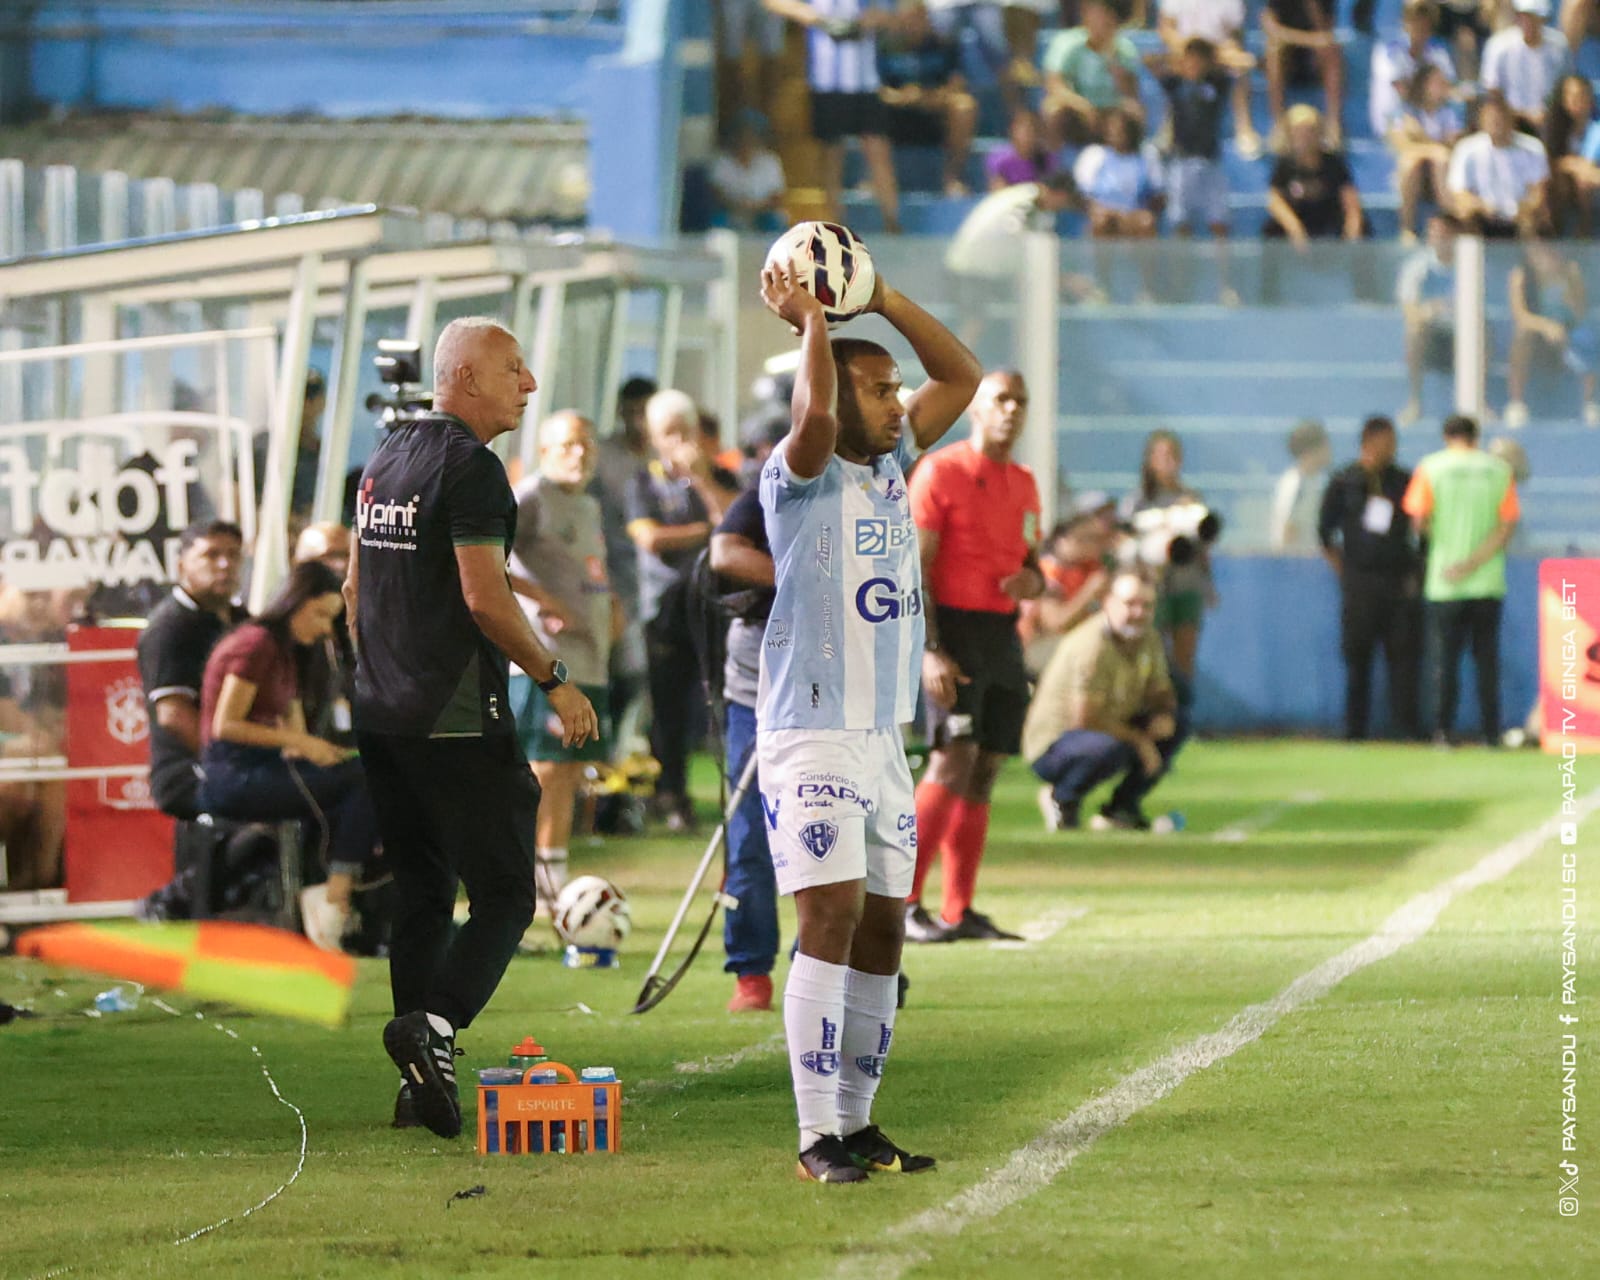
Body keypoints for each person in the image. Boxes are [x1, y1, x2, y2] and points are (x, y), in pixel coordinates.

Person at [755, 251, 981, 1181]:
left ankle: (857, 1121)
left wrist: (880, 300)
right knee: (833, 914)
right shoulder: (798, 475)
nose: (899, 405)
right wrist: (814, 321)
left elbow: (961, 374)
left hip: (884, 736)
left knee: (887, 926)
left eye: (895, 390)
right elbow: (812, 415)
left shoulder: (896, 465)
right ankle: (815, 1136)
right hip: (810, 732)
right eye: (881, 391)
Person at [345, 316, 599, 1140]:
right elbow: (486, 598)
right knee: (504, 894)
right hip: (455, 715)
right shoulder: (473, 468)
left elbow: (354, 593)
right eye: (514, 369)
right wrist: (555, 680)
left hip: (382, 716)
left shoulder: (386, 458)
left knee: (422, 894)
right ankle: (440, 1028)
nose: (527, 385)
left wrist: (381, 678)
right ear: (463, 377)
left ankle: (420, 1087)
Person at [904, 369, 1040, 945]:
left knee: (985, 765)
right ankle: (905, 903)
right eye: (1000, 399)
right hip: (951, 630)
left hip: (1000, 633)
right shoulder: (940, 471)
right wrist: (930, 649)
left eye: (1020, 401)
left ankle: (960, 909)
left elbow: (1032, 557)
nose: (1011, 410)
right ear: (976, 409)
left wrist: (1032, 581)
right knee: (950, 759)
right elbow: (915, 567)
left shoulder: (1025, 483)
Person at [196, 560, 374, 946]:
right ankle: (334, 897)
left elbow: (293, 731)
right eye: (321, 615)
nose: (326, 628)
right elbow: (225, 725)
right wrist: (306, 745)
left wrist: (319, 750)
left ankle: (333, 893)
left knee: (367, 772)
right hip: (232, 774)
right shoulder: (255, 644)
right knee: (365, 784)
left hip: (263, 767)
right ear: (297, 602)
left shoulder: (285, 651)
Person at [507, 410, 618, 910]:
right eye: (569, 444)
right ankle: (529, 884)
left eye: (586, 443)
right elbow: (488, 561)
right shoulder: (530, 497)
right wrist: (544, 602)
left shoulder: (588, 505)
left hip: (588, 655)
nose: (580, 453)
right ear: (545, 451)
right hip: (544, 661)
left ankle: (554, 875)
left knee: (571, 769)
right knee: (544, 770)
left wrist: (609, 606)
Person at [626, 389, 740, 830]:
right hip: (665, 611)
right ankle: (671, 796)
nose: (677, 442)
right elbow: (651, 538)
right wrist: (707, 531)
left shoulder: (722, 478)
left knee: (723, 702)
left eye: (683, 431)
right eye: (667, 433)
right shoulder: (644, 481)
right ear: (653, 437)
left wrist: (705, 483)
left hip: (717, 604)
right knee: (669, 710)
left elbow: (738, 523)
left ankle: (735, 793)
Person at [1024, 570, 1186, 831]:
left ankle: (1121, 809)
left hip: (1107, 727)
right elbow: (1085, 719)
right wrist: (1140, 740)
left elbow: (1160, 690)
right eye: (1130, 603)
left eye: (1147, 605)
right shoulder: (1092, 645)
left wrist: (1163, 714)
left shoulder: (1148, 639)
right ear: (1108, 602)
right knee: (1110, 747)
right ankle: (1062, 798)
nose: (1139, 612)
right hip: (1055, 744)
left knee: (1177, 725)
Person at [1401, 414, 1520, 747]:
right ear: (1475, 437)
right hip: (1487, 580)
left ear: (1446, 436)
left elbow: (1418, 519)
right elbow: (1506, 526)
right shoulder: (1499, 470)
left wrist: (1444, 548)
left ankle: (1443, 732)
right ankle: (1490, 733)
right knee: (1486, 661)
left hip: (1445, 580)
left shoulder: (1431, 468)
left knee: (1444, 662)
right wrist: (1475, 561)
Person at [709, 487, 781, 1013]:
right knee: (749, 834)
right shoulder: (769, 482)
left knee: (836, 838)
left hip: (839, 697)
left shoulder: (870, 487)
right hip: (755, 692)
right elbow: (724, 552)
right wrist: (799, 577)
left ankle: (825, 964)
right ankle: (751, 971)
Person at [1317, 416, 1421, 741]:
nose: (1390, 449)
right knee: (1357, 659)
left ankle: (1404, 728)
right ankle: (1355, 730)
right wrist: (1345, 572)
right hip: (1359, 584)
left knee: (1402, 660)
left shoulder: (1404, 481)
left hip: (1396, 582)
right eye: (1384, 442)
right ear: (1368, 443)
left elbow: (1419, 530)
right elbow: (1324, 533)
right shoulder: (1344, 481)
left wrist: (1415, 574)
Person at [137, 520, 247, 822]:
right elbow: (174, 715)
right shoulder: (170, 626)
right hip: (188, 772)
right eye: (211, 555)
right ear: (182, 564)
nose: (225, 564)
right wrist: (229, 764)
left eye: (233, 555)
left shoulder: (242, 619)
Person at [763, 0, 904, 231]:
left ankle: (891, 220)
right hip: (826, 81)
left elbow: (897, 15)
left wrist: (873, 19)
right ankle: (836, 224)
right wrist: (814, 18)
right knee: (831, 154)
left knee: (878, 149)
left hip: (865, 82)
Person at [1120, 429, 1214, 708]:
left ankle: (1181, 713)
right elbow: (1126, 543)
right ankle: (1153, 712)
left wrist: (1209, 585)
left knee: (1185, 655)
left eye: (1173, 455)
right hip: (1153, 587)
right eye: (1161, 456)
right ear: (1150, 461)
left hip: (1187, 584)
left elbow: (1202, 547)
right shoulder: (1138, 501)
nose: (1168, 462)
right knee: (1154, 653)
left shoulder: (1191, 498)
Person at [1154, 36, 1239, 304]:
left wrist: (1216, 59)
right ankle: (1181, 285)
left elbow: (1243, 65)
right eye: (1190, 59)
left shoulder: (1218, 84)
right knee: (1181, 224)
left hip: (1210, 161)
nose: (1194, 65)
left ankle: (1225, 285)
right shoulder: (1176, 85)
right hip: (1182, 161)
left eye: (1200, 59)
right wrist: (1178, 62)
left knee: (1219, 224)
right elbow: (1148, 62)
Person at [877, 3, 978, 197]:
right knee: (871, 110)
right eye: (907, 19)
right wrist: (900, 97)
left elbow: (957, 85)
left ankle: (952, 176)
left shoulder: (944, 45)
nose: (912, 24)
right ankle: (875, 178)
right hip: (896, 113)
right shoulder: (885, 46)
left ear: (926, 19)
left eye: (917, 18)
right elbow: (875, 89)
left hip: (934, 113)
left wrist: (926, 97)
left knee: (965, 106)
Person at [1505, 237, 1600, 427]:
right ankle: (1517, 403)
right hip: (1537, 332)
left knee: (1589, 337)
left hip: (1568, 329)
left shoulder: (1570, 273)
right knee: (1521, 336)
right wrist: (1546, 326)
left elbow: (1580, 312)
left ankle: (1589, 403)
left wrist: (1568, 292)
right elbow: (1520, 315)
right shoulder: (1521, 276)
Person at [1157, 0, 1261, 157]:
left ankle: (1244, 126)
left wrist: (1210, 51)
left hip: (1217, 54)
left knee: (1241, 64)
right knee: (1172, 64)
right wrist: (1188, 48)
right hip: (1184, 53)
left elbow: (1234, 37)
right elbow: (1166, 30)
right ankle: (1169, 127)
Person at [1445, 90, 1551, 237]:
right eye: (1491, 118)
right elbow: (1459, 193)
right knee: (1465, 214)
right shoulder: (1466, 149)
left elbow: (1538, 193)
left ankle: (1533, 258)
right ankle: (1471, 260)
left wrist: (1523, 209)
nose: (1496, 122)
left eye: (1501, 118)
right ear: (1481, 121)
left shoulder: (1533, 148)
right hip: (1482, 215)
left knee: (1534, 219)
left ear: (1511, 120)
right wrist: (1482, 206)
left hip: (1520, 215)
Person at [1041, 0, 1143, 147]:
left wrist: (1115, 65)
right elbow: (1054, 85)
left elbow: (1131, 95)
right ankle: (1054, 162)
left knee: (1134, 112)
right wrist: (1083, 106)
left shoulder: (1124, 49)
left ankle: (1126, 160)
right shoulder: (1067, 43)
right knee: (1053, 109)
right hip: (1077, 111)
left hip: (1111, 111)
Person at [1389, 63, 1466, 241]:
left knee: (1441, 160)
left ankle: (1450, 219)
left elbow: (1453, 144)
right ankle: (1407, 227)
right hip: (1413, 171)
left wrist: (1421, 140)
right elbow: (1401, 143)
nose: (1443, 87)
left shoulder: (1453, 111)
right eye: (1437, 83)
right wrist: (1434, 146)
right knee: (1411, 162)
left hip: (1442, 169)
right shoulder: (1404, 110)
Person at [1397, 213, 1460, 427]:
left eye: (1443, 233)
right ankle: (1414, 401)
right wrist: (1429, 311)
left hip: (1461, 332)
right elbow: (1410, 310)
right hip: (1431, 333)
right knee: (1413, 331)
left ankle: (1481, 401)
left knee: (1482, 331)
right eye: (1433, 233)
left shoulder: (1469, 264)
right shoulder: (1417, 266)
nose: (1438, 238)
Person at [1262, 0, 1345, 148]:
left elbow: (1325, 32)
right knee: (1273, 51)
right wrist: (1308, 40)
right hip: (1290, 53)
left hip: (1313, 56)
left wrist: (1313, 6)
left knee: (1332, 52)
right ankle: (1279, 124)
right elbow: (1271, 28)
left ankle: (1333, 123)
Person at [1371, 0, 1457, 142]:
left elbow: (1448, 90)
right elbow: (1403, 91)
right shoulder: (1388, 51)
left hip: (1430, 122)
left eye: (1425, 22)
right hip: (1395, 123)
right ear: (1405, 22)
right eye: (1415, 21)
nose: (1420, 27)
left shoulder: (1439, 53)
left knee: (1453, 127)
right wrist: (1430, 92)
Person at [1482, 0, 1572, 133]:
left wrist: (1548, 113)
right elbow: (1492, 91)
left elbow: (1565, 85)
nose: (1528, 22)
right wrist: (1522, 115)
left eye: (1534, 17)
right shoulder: (1498, 45)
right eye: (1523, 16)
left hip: (1550, 121)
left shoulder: (1559, 45)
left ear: (1543, 19)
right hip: (1511, 121)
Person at [254, 368, 327, 529]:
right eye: (297, 397)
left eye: (309, 397)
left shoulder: (326, 452)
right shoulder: (261, 447)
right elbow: (238, 500)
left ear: (321, 402)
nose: (304, 405)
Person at [710, 110, 788, 232]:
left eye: (752, 136)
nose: (746, 141)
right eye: (742, 136)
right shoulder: (723, 162)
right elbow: (716, 194)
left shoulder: (770, 162)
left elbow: (777, 197)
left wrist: (756, 207)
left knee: (775, 223)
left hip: (763, 216)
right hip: (731, 215)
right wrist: (738, 206)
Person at [1542, 73, 1600, 234]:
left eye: (1581, 95)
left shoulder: (1597, 130)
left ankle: (1585, 229)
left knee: (1584, 182)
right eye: (1570, 95)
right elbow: (1551, 161)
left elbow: (1589, 168)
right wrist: (1572, 164)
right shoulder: (1556, 130)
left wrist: (1573, 165)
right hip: (1566, 186)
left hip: (1592, 186)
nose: (1575, 100)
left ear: (1590, 99)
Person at [1268, 418, 1331, 552]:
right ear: (1311, 450)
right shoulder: (1295, 484)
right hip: (1297, 566)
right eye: (1325, 445)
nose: (1330, 450)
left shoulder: (1311, 482)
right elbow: (1288, 528)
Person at [984, 107, 1057, 191]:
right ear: (1012, 130)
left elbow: (1049, 188)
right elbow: (998, 190)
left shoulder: (1046, 158)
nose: (1030, 135)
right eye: (1025, 130)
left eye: (1035, 129)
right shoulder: (999, 158)